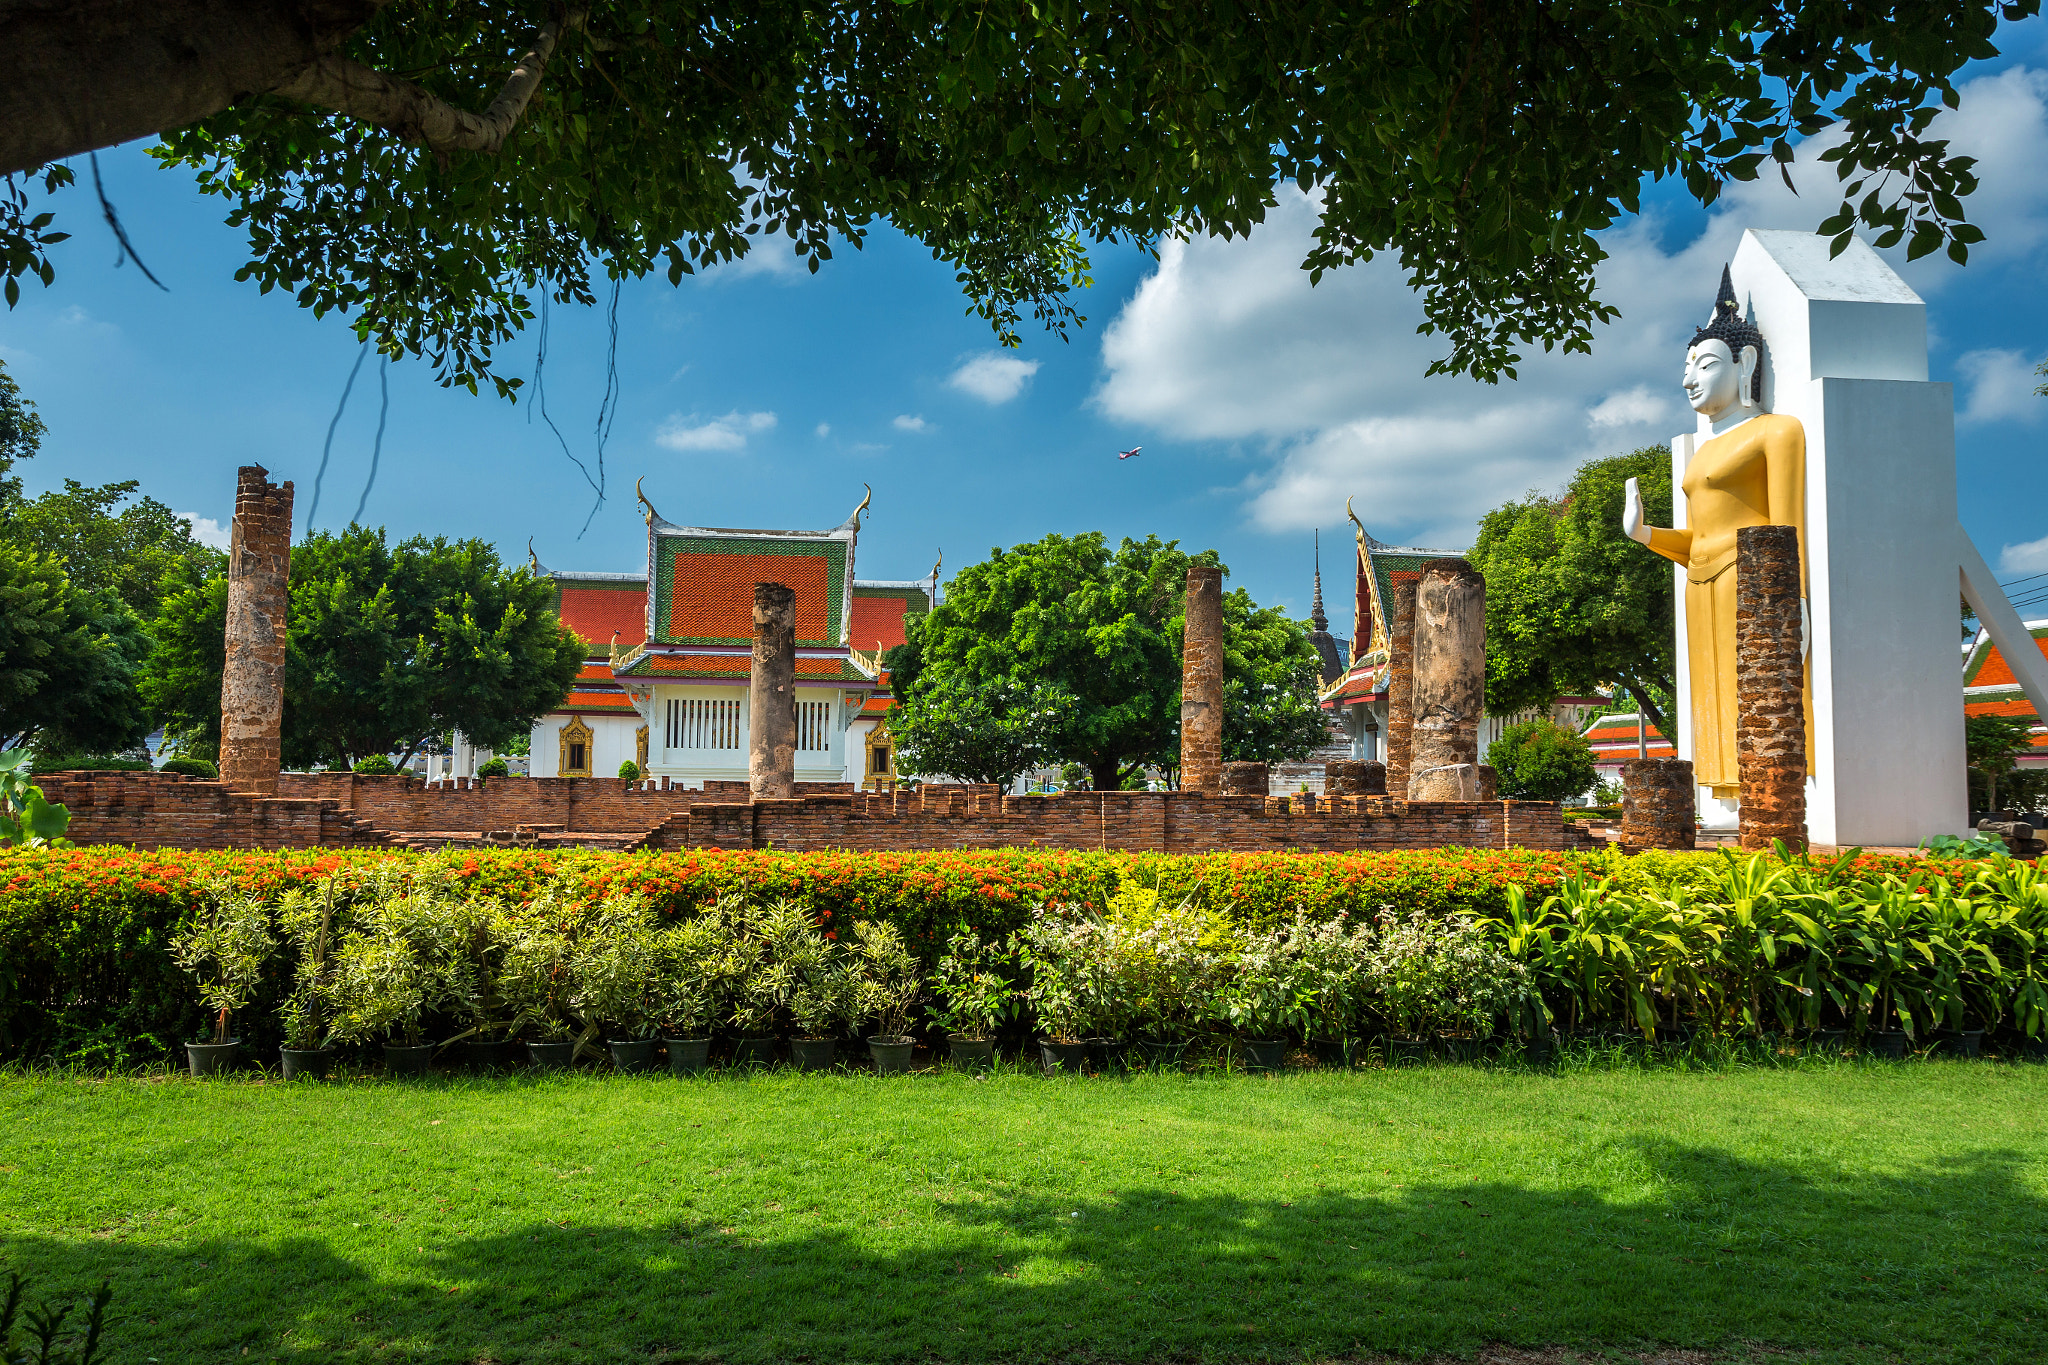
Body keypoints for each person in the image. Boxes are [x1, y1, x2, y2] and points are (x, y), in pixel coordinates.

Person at [1621, 267, 1810, 797]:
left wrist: (1793, 601)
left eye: (1704, 365)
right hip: (1701, 580)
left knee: (1753, 693)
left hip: (1749, 583)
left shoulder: (1776, 431)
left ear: (1744, 362)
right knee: (1709, 689)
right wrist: (1645, 534)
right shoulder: (1703, 448)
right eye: (1687, 368)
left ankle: (1764, 786)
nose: (1689, 380)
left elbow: (1786, 526)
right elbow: (1696, 541)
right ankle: (1724, 786)